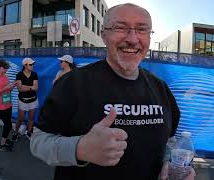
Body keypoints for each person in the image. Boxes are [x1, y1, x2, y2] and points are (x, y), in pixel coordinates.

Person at [30, 3, 195, 180]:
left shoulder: (160, 88)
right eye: (120, 27)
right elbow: (38, 142)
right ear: (104, 35)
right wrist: (79, 148)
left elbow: (169, 141)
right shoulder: (73, 83)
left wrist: (170, 165)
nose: (132, 39)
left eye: (142, 29)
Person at [0, 59, 17, 151]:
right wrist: (5, 88)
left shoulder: (6, 76)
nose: (6, 70)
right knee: (8, 125)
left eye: (7, 68)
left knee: (8, 122)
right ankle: (2, 145)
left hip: (8, 103)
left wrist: (12, 86)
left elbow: (8, 90)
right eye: (4, 68)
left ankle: (5, 140)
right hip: (0, 105)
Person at [12, 58, 38, 140]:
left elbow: (36, 88)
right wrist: (31, 87)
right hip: (23, 101)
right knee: (20, 119)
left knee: (31, 119)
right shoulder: (19, 75)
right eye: (30, 64)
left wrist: (25, 87)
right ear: (25, 65)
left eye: (32, 64)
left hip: (33, 100)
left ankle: (29, 132)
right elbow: (19, 89)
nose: (32, 65)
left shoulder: (34, 74)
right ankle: (15, 133)